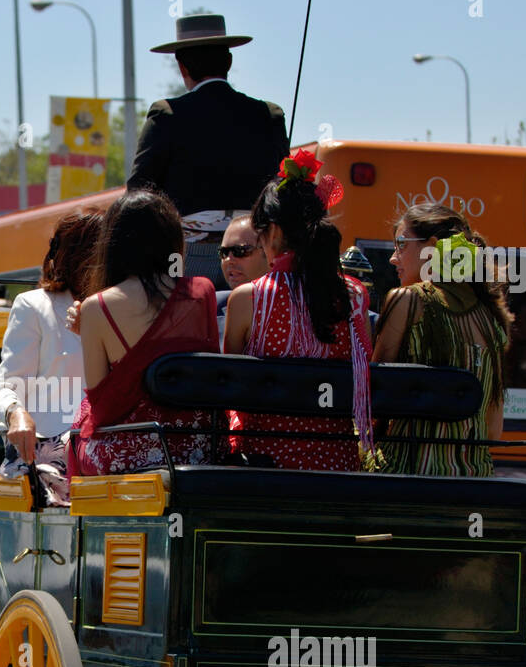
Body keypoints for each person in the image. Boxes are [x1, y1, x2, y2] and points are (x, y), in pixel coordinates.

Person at [223, 152, 374, 471]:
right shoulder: (354, 295)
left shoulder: (247, 299)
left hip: (265, 467)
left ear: (273, 232)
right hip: (339, 466)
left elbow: (229, 390)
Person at [127, 14, 289, 287]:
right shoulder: (268, 114)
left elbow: (139, 192)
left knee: (187, 324)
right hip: (255, 253)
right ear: (229, 61)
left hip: (187, 256)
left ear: (182, 67)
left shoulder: (168, 114)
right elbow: (282, 184)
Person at [69, 189, 220, 476]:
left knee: (82, 414)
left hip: (123, 456)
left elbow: (101, 404)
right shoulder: (202, 292)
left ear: (113, 243)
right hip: (198, 450)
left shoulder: (96, 307)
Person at [373, 204, 514, 476]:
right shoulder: (492, 319)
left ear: (432, 248)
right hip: (473, 482)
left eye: (401, 244)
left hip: (407, 477)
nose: (393, 257)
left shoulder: (407, 301)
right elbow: (494, 433)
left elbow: (374, 400)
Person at [0, 209, 104, 505]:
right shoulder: (33, 305)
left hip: (107, 445)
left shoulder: (120, 306)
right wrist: (16, 414)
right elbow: (5, 385)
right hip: (51, 455)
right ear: (78, 257)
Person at [215, 213, 270, 345]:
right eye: (224, 252)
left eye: (240, 251)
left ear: (269, 252)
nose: (229, 260)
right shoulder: (211, 306)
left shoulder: (298, 307)